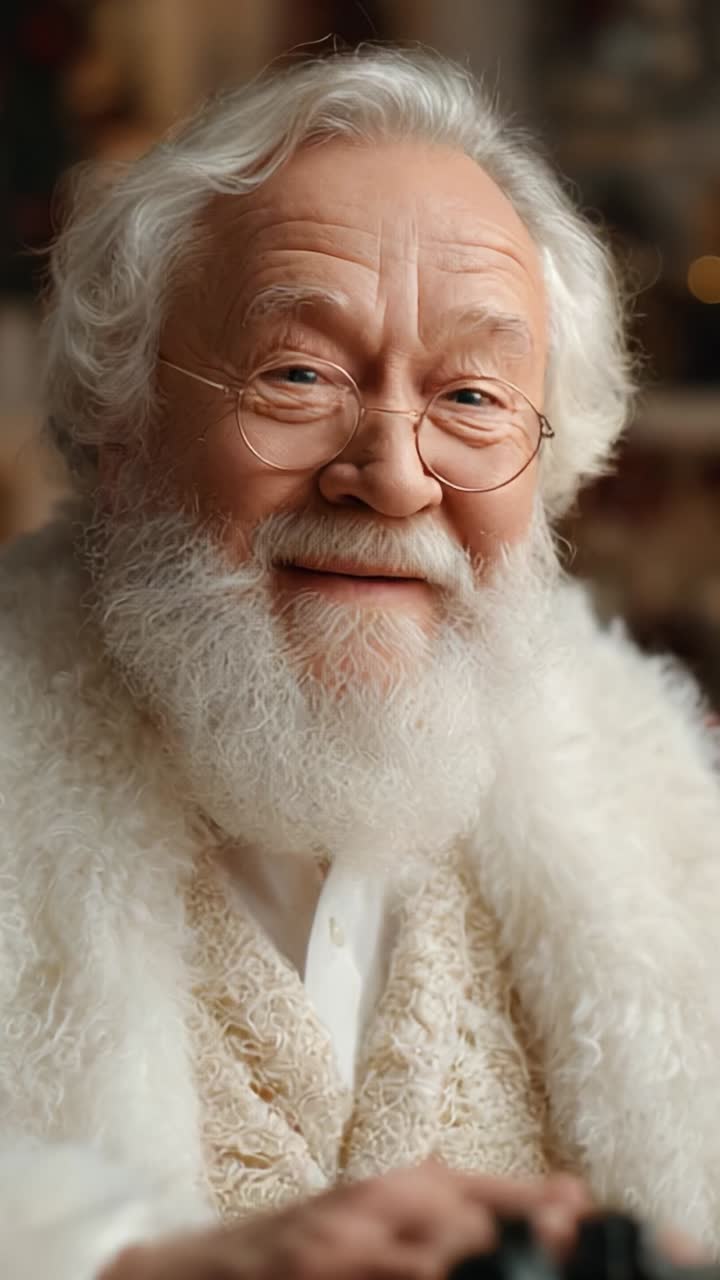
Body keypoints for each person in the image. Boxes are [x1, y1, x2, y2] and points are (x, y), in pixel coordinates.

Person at [1, 45, 719, 1280]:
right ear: (122, 427)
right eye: (299, 372)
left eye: (474, 398)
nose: (392, 475)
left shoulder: (671, 827)